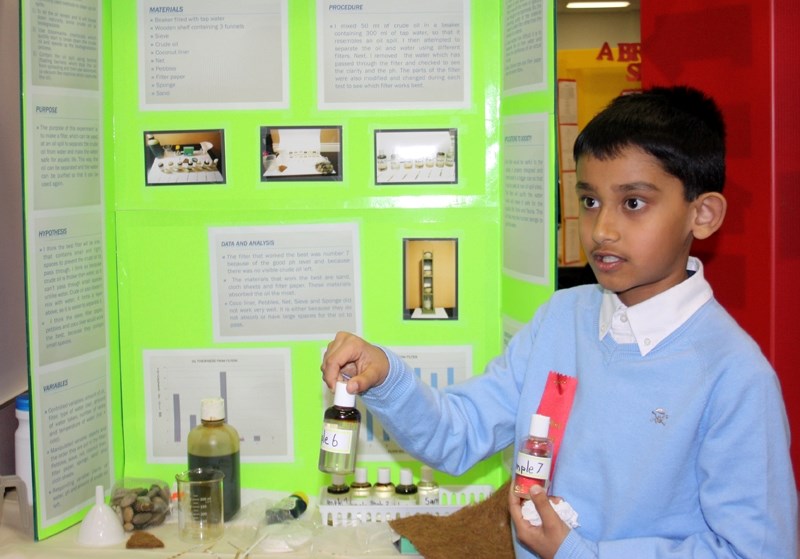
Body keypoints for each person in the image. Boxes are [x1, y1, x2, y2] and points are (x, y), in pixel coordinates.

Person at [320, 86, 798, 558]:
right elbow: (460, 434)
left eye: (633, 202)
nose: (602, 229)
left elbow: (753, 551)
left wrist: (579, 554)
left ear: (703, 214)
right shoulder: (562, 318)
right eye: (590, 201)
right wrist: (387, 378)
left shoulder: (735, 376)